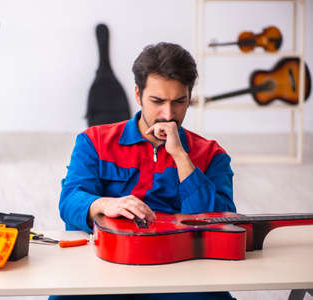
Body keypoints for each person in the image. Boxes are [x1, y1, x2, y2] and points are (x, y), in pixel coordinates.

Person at [51, 42, 236, 300]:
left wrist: (182, 157)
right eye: (157, 101)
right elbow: (69, 201)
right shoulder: (93, 141)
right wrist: (103, 204)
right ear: (138, 95)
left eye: (179, 102)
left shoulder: (212, 155)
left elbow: (218, 222)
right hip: (105, 268)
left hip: (181, 272)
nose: (168, 114)